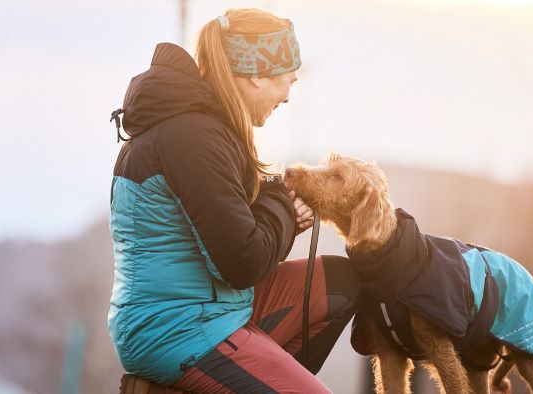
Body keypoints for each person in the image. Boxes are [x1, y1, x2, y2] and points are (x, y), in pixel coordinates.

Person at [108, 8, 361, 393]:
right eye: (286, 81)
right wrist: (284, 212)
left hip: (215, 307)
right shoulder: (193, 138)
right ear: (256, 75)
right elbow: (241, 263)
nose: (289, 95)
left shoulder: (204, 128)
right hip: (177, 329)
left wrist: (277, 205)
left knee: (340, 283)